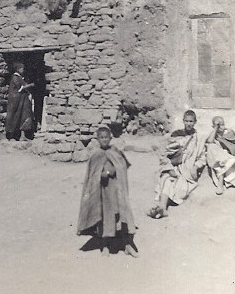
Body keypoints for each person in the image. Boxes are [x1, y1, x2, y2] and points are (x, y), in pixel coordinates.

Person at [77, 125, 138, 257]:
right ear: (98, 139)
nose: (104, 140)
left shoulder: (115, 150)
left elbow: (123, 165)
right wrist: (101, 174)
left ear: (110, 138)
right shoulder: (95, 154)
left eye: (106, 137)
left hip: (117, 192)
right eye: (101, 138)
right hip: (103, 194)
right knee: (104, 218)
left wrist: (112, 170)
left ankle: (127, 245)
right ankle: (104, 245)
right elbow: (92, 175)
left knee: (122, 218)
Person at [148, 109, 206, 219]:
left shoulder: (199, 139)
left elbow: (202, 157)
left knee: (179, 184)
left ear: (195, 122)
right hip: (176, 167)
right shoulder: (177, 135)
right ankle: (162, 207)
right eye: (186, 121)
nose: (188, 124)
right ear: (183, 121)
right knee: (166, 178)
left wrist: (195, 166)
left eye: (191, 121)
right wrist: (170, 167)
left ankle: (161, 208)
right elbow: (167, 154)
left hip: (187, 171)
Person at [205, 116, 235, 194]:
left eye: (222, 124)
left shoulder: (229, 132)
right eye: (218, 125)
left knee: (219, 155)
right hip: (221, 158)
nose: (221, 127)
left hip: (230, 157)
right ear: (213, 127)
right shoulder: (214, 134)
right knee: (211, 147)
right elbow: (209, 141)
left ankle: (220, 182)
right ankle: (221, 181)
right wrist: (215, 129)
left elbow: (233, 147)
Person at [4, 62, 35, 141]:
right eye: (21, 68)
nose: (23, 70)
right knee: (15, 116)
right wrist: (31, 85)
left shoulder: (20, 77)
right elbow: (20, 87)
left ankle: (23, 136)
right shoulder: (15, 77)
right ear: (18, 69)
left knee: (23, 116)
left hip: (21, 100)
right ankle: (12, 136)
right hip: (16, 101)